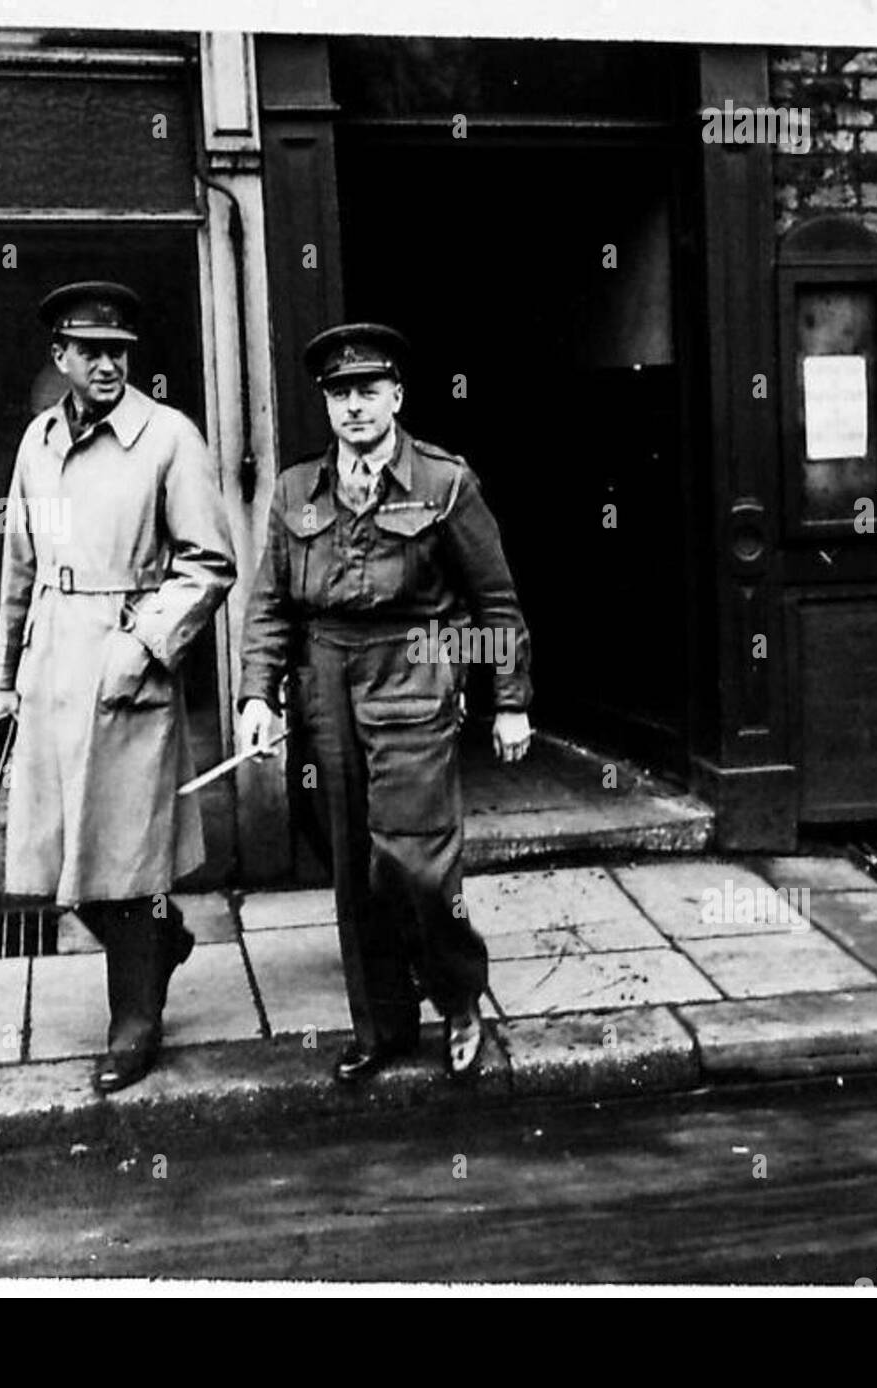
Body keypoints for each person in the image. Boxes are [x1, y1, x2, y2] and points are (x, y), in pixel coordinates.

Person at [237, 322, 532, 1082]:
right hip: (325, 678)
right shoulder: (297, 491)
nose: (356, 406)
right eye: (341, 394)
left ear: (396, 396)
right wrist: (257, 695)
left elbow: (494, 600)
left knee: (416, 861)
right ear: (326, 404)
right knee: (352, 865)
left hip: (416, 666)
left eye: (369, 390)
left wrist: (509, 702)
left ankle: (459, 995)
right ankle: (384, 1027)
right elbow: (269, 605)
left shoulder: (444, 482)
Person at [0, 280, 236, 1094]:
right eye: (90, 351)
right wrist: (2, 682)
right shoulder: (38, 443)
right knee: (57, 853)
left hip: (127, 668)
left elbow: (208, 563)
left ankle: (135, 1020)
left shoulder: (168, 438)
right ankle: (161, 944)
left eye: (119, 352)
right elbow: (18, 569)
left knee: (124, 855)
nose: (106, 365)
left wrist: (144, 647)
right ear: (60, 356)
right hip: (51, 664)